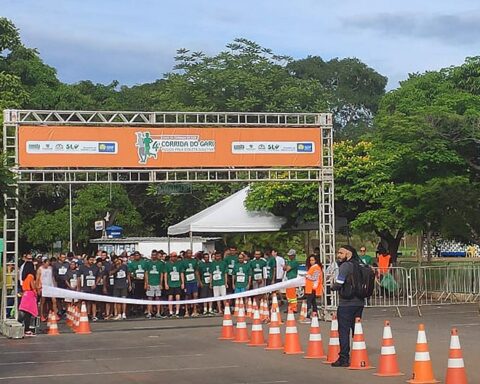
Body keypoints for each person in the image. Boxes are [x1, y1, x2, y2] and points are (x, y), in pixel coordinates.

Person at [330, 245, 365, 367]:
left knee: (344, 331)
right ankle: (359, 355)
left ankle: (344, 358)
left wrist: (332, 286)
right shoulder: (360, 265)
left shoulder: (345, 266)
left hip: (346, 303)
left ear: (348, 253)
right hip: (359, 302)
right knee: (357, 330)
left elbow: (339, 282)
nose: (338, 255)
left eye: (341, 253)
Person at [19, 259, 38, 336]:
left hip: (25, 294)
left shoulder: (24, 276)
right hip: (30, 294)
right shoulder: (31, 276)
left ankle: (20, 326)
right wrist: (36, 291)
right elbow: (32, 286)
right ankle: (27, 329)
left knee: (24, 311)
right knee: (29, 313)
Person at [77, 255, 99, 321]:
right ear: (87, 260)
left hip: (93, 287)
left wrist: (95, 284)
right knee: (84, 301)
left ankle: (94, 316)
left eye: (93, 260)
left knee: (93, 302)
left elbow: (99, 276)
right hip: (85, 287)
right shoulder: (82, 267)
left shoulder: (96, 267)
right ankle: (83, 315)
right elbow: (79, 277)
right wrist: (79, 287)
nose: (92, 261)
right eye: (90, 260)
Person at [36, 256, 58, 322]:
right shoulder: (40, 269)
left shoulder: (50, 268)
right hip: (43, 287)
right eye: (47, 263)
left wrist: (54, 285)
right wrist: (38, 288)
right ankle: (41, 315)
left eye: (48, 263)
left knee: (54, 300)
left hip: (50, 286)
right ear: (44, 263)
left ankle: (55, 314)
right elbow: (37, 279)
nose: (48, 264)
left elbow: (52, 277)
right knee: (43, 302)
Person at [110, 256, 131, 320]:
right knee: (118, 300)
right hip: (116, 285)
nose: (117, 262)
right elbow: (110, 273)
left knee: (124, 299)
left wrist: (129, 285)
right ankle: (119, 314)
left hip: (124, 285)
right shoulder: (113, 267)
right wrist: (117, 269)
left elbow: (128, 276)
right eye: (116, 261)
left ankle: (124, 313)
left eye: (118, 260)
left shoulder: (125, 266)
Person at [164, 252, 184, 317]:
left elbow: (181, 273)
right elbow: (165, 274)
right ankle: (170, 312)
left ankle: (177, 311)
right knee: (170, 297)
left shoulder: (180, 264)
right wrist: (166, 284)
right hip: (170, 283)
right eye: (173, 256)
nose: (175, 257)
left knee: (178, 297)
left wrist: (183, 283)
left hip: (178, 283)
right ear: (170, 257)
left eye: (176, 256)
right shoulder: (167, 264)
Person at [128, 251, 148, 316]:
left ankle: (145, 309)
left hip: (143, 281)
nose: (137, 256)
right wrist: (133, 276)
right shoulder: (131, 263)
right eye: (135, 255)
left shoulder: (144, 262)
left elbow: (146, 272)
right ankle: (136, 309)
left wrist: (146, 282)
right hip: (136, 281)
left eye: (138, 255)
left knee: (144, 296)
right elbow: (129, 273)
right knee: (136, 296)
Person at [304, 255, 323, 322]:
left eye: (313, 260)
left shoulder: (316, 268)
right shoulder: (314, 267)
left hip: (312, 288)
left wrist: (307, 276)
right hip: (311, 288)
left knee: (309, 302)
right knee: (313, 302)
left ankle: (308, 316)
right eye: (310, 260)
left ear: (316, 260)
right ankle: (315, 315)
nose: (311, 262)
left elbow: (315, 278)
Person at [145, 250, 164, 318]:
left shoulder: (160, 263)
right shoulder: (148, 263)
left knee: (158, 298)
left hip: (157, 283)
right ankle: (149, 312)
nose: (154, 256)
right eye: (152, 255)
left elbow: (161, 274)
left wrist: (161, 284)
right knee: (150, 298)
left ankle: (158, 313)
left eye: (155, 255)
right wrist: (147, 283)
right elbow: (146, 273)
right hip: (150, 283)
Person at [182, 249, 200, 317]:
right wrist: (183, 282)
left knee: (195, 295)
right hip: (187, 281)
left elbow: (196, 271)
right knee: (187, 296)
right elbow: (182, 273)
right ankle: (186, 311)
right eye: (188, 253)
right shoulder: (183, 262)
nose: (189, 254)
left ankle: (194, 310)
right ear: (186, 254)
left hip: (194, 281)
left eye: (190, 253)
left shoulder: (194, 261)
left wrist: (198, 281)